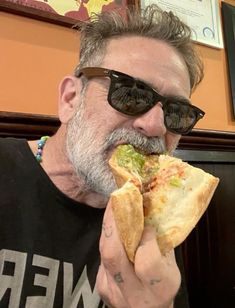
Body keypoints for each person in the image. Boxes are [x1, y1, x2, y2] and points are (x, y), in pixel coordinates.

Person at [0, 4, 205, 308]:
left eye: (177, 112)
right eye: (130, 94)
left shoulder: (157, 222)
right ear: (70, 99)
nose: (155, 127)